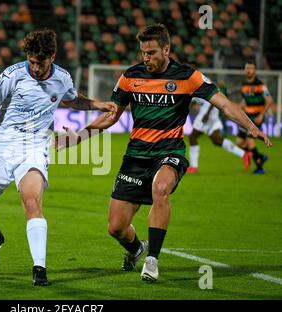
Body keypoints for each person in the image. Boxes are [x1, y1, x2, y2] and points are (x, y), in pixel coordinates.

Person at [56, 24, 271, 282]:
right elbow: (111, 116)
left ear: (166, 49)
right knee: (116, 227)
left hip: (169, 152)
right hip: (136, 156)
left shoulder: (187, 76)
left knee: (160, 188)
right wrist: (79, 137)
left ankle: (152, 260)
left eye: (151, 52)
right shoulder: (130, 76)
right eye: (142, 53)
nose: (145, 58)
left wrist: (251, 127)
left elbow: (224, 104)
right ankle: (137, 249)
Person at [0, 29, 114, 286]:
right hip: (1, 148)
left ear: (52, 57)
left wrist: (98, 105)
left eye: (40, 62)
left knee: (31, 202)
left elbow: (73, 100)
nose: (35, 67)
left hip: (34, 147)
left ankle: (39, 269)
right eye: (31, 61)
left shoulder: (62, 78)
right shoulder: (11, 76)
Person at [187, 94, 252, 173]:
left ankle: (194, 167)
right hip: (212, 115)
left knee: (192, 137)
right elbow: (194, 100)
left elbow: (212, 97)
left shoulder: (201, 83)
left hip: (206, 115)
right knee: (217, 140)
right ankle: (244, 154)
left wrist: (207, 113)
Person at [236, 60, 274, 174]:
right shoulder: (244, 86)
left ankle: (259, 167)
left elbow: (269, 100)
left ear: (255, 70)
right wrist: (236, 111)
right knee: (239, 143)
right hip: (247, 119)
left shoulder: (260, 85)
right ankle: (260, 156)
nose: (248, 70)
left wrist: (262, 114)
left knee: (249, 142)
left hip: (257, 118)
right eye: (247, 68)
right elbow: (244, 102)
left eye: (251, 68)